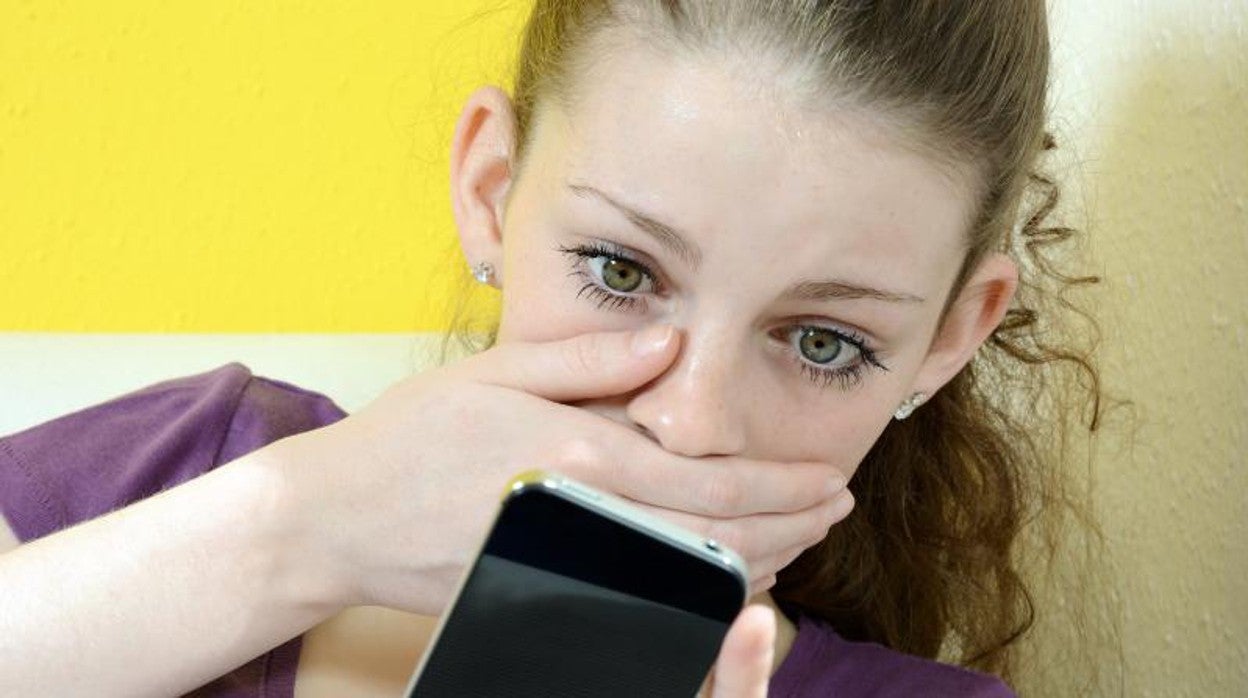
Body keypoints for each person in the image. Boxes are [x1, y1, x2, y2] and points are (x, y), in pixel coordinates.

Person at [0, 1, 1103, 696]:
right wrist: (304, 530)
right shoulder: (183, 465)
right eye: (621, 271)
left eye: (824, 340)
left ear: (948, 338)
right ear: (492, 190)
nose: (687, 423)